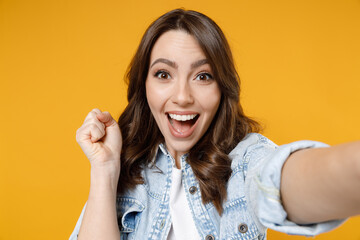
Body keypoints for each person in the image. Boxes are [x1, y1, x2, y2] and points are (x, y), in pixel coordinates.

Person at [70, 9, 360, 240]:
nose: (182, 97)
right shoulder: (127, 169)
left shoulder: (245, 161)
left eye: (203, 76)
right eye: (163, 74)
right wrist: (105, 170)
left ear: (222, 88)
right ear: (143, 85)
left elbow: (283, 179)